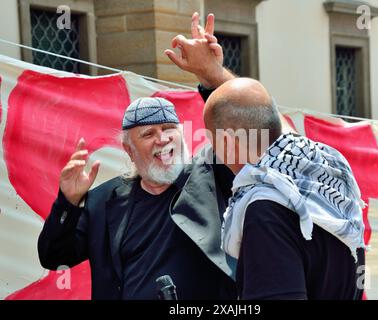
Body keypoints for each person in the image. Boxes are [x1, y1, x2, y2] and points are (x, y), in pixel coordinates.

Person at [38, 14, 239, 300]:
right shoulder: (102, 201)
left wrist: (212, 76)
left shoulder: (212, 176)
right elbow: (53, 256)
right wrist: (67, 204)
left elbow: (243, 123)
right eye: (148, 134)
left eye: (170, 129)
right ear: (129, 150)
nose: (163, 138)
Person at [165, 20, 366, 300]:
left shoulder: (267, 208)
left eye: (212, 138)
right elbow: (255, 115)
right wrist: (213, 73)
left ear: (228, 143)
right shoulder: (326, 170)